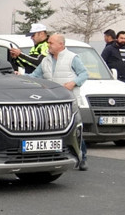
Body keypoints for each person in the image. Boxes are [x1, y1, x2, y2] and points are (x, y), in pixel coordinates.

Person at [28, 34, 90, 171]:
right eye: (48, 43)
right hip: (52, 103)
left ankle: (82, 157)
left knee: (74, 131)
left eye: (51, 43)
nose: (48, 45)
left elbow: (84, 74)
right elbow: (35, 76)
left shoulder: (72, 58)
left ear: (61, 45)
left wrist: (73, 83)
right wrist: (20, 76)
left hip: (69, 101)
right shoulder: (46, 60)